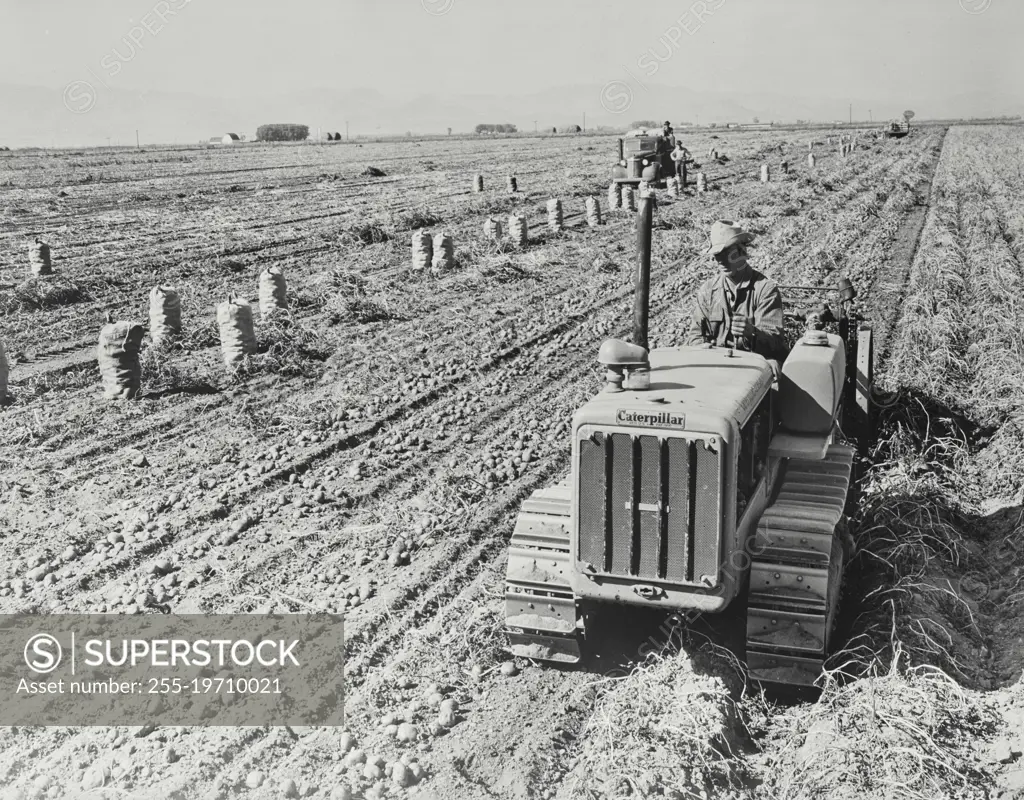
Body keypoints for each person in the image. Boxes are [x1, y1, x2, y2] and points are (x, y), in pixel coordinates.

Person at [684, 221, 786, 360]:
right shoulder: (707, 291)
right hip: (716, 366)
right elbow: (695, 336)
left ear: (742, 252)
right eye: (717, 255)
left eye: (727, 254)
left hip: (753, 368)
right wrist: (704, 349)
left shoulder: (765, 290)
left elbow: (775, 343)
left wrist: (752, 332)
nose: (721, 261)